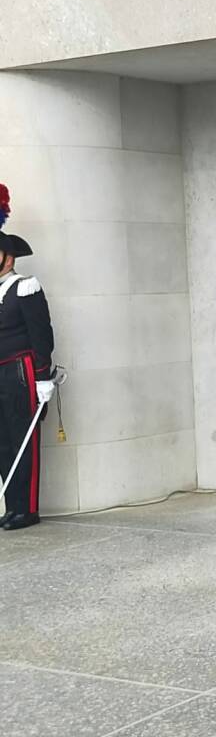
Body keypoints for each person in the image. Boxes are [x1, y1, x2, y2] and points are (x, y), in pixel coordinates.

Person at [0, 183, 55, 531]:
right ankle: (11, 506)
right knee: (4, 442)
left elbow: (42, 335)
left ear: (8, 257)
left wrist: (43, 377)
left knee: (24, 442)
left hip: (21, 374)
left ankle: (27, 509)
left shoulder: (26, 287)